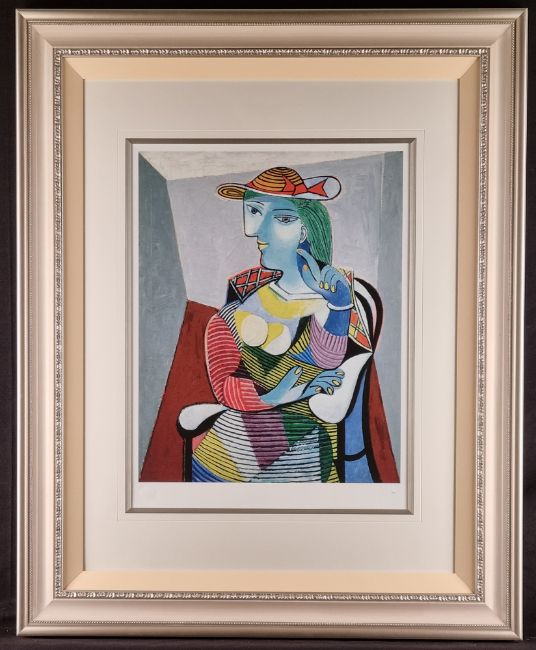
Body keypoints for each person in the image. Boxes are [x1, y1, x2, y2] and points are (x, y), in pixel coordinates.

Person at [187, 166, 399, 483]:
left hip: (306, 455)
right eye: (254, 213)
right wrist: (276, 396)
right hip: (226, 453)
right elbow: (225, 385)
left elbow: (329, 364)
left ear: (305, 230)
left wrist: (339, 306)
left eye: (283, 219)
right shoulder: (242, 296)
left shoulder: (337, 296)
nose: (261, 234)